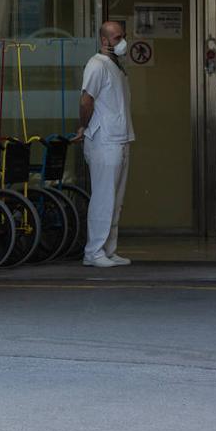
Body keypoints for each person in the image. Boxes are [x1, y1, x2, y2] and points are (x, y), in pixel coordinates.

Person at [73, 21, 135, 268]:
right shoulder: (97, 65)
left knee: (115, 200)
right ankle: (93, 252)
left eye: (123, 36)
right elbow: (86, 100)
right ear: (104, 40)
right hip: (104, 140)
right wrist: (83, 126)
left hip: (120, 138)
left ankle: (109, 249)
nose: (122, 41)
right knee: (103, 198)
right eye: (117, 37)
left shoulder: (116, 66)